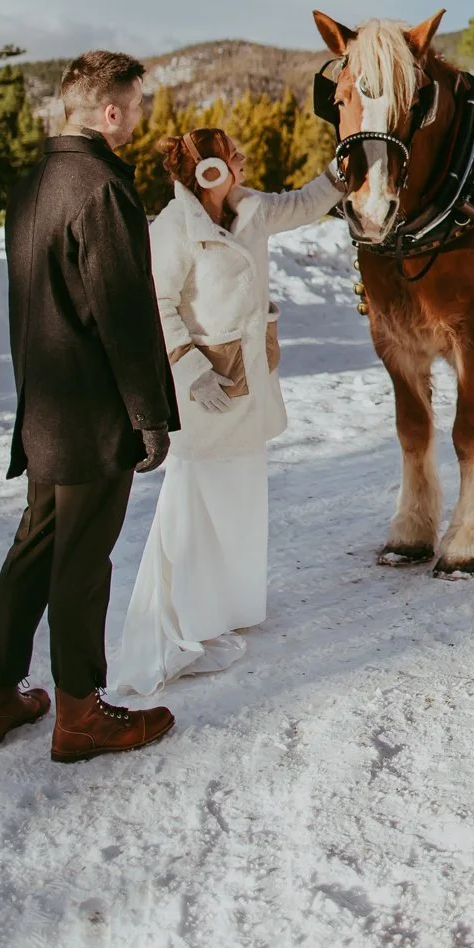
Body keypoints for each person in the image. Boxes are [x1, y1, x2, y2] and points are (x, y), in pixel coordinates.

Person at [0, 50, 179, 762]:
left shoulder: (32, 185)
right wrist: (149, 416)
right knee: (82, 562)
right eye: (137, 103)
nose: (141, 115)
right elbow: (123, 315)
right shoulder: (100, 191)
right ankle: (80, 713)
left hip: (43, 408)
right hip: (93, 417)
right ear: (111, 112)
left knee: (34, 548)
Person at [113, 127, 347, 694]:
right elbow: (155, 302)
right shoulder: (174, 230)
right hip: (207, 388)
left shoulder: (251, 210)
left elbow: (302, 205)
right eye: (232, 158)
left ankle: (230, 605)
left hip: (249, 381)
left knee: (241, 499)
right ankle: (186, 618)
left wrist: (340, 176)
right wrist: (190, 369)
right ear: (210, 171)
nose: (242, 163)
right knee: (198, 503)